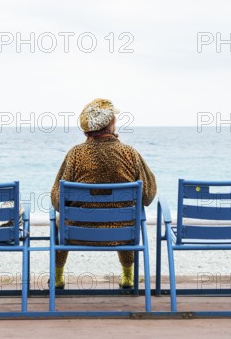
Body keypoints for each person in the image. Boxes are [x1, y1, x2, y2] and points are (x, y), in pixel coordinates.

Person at [50, 98, 157, 289]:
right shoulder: (129, 154)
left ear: (86, 129)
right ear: (111, 123)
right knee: (127, 215)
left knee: (58, 220)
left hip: (78, 233)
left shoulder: (75, 154)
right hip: (122, 234)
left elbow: (57, 200)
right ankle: (128, 276)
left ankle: (57, 278)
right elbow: (148, 196)